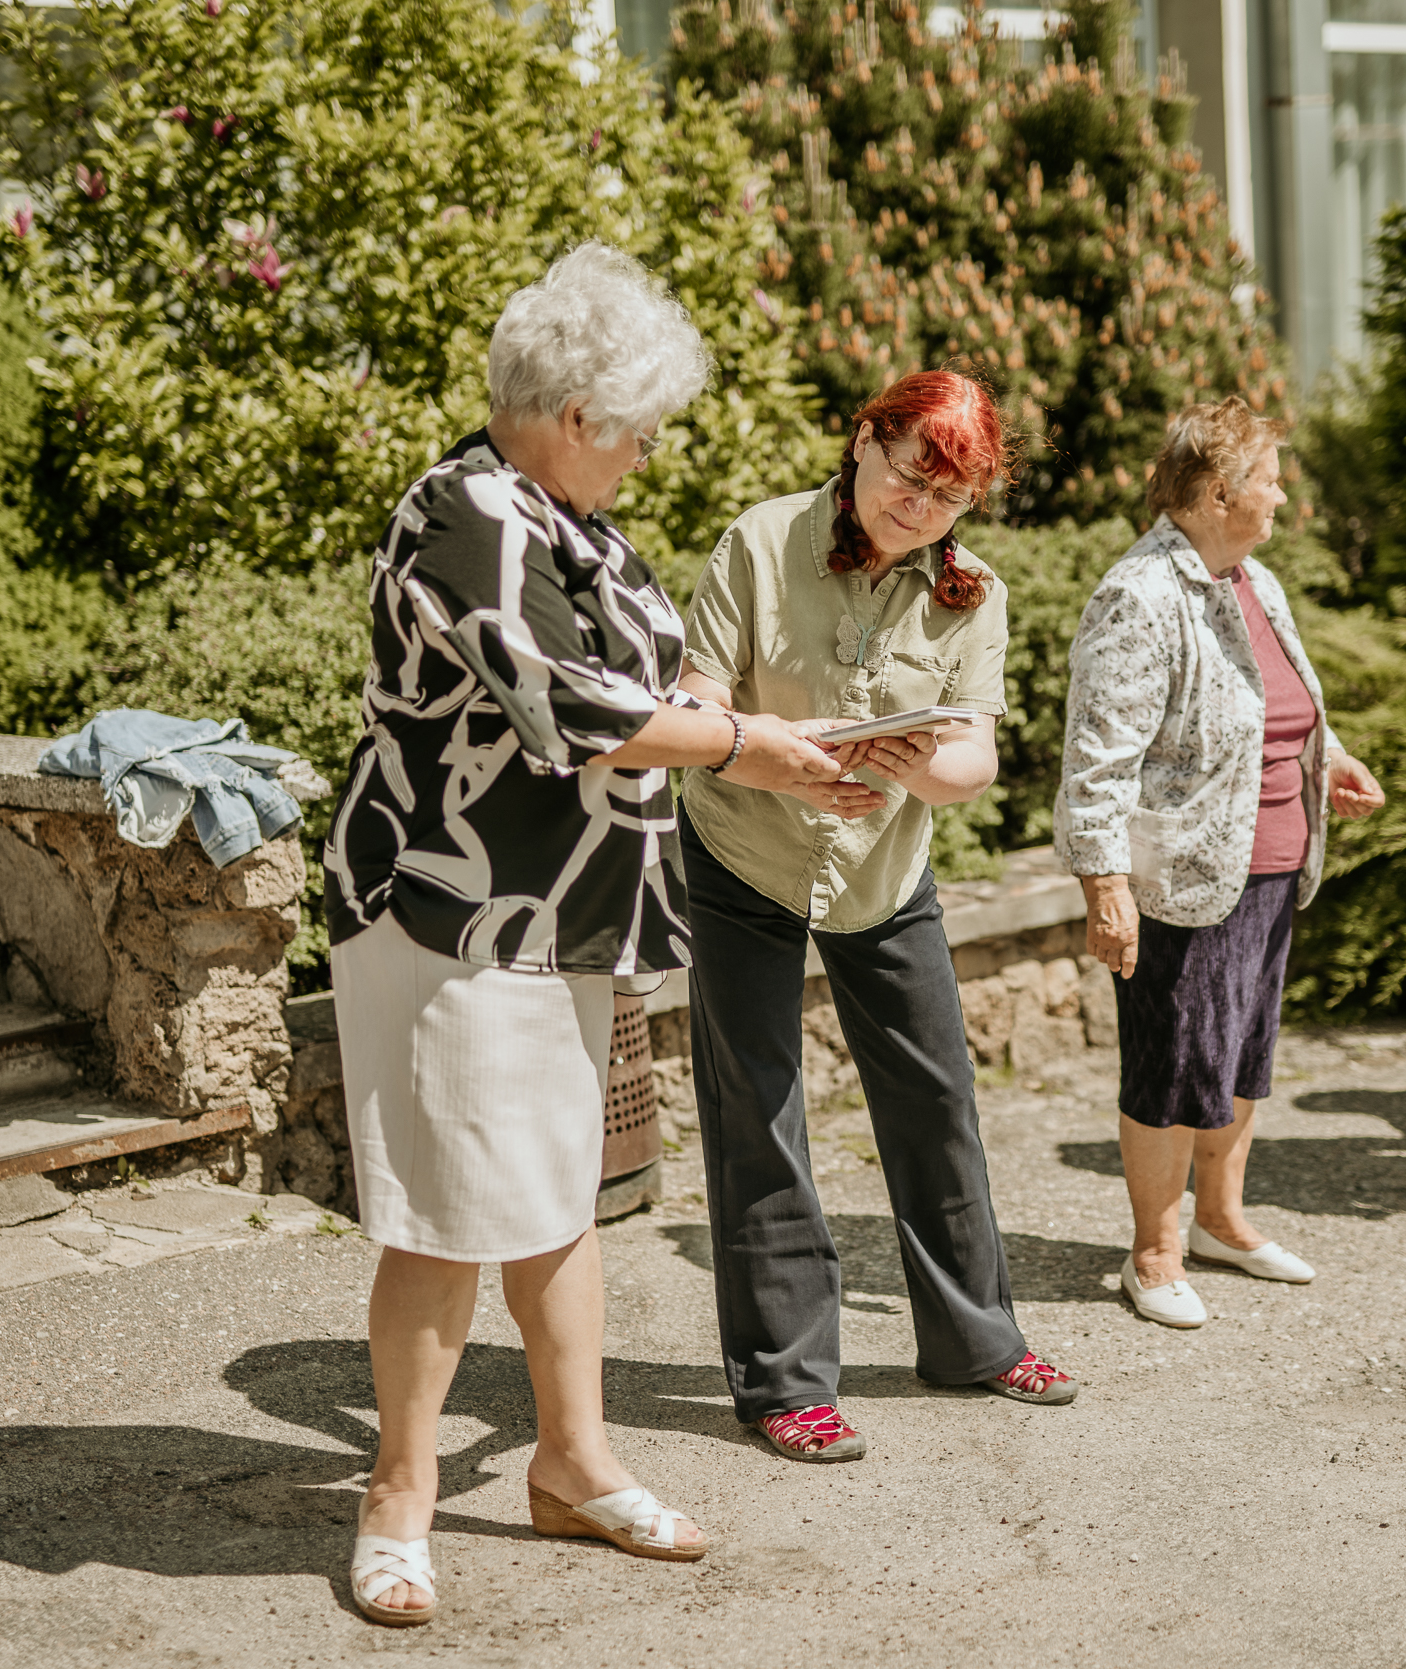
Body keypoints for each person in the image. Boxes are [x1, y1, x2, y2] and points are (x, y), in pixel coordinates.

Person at [321, 244, 844, 1622]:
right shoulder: (470, 513)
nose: (648, 452)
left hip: (557, 914)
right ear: (574, 415)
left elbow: (654, 680)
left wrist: (769, 726)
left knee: (558, 1197)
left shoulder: (568, 520)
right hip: (450, 906)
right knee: (447, 1215)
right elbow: (573, 709)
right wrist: (746, 747)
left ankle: (573, 1462)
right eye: (641, 428)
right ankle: (398, 1495)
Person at [676, 368, 1078, 1463]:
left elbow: (974, 759)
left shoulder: (974, 592)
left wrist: (920, 764)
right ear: (864, 441)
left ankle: (976, 1343)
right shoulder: (758, 543)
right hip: (743, 850)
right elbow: (696, 709)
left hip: (883, 868)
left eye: (951, 498)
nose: (923, 508)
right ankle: (785, 1384)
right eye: (911, 477)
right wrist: (780, 762)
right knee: (760, 1113)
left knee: (936, 1101)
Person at [1057, 398, 1386, 1329]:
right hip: (1183, 877)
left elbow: (1278, 704)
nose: (1281, 496)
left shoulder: (1251, 577)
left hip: (1272, 860)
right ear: (1216, 494)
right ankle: (1154, 1252)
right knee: (1170, 1066)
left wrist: (1331, 757)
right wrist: (1105, 885)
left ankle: (1220, 1221)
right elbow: (1097, 758)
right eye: (1269, 480)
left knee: (1242, 1049)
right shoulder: (1140, 594)